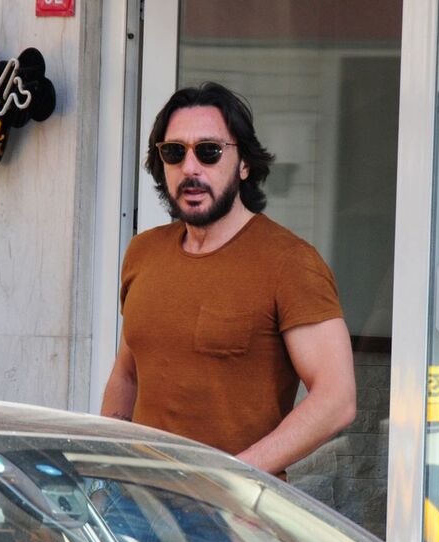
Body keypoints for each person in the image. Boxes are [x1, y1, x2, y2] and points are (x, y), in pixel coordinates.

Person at [101, 82, 356, 477]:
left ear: (244, 164)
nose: (190, 168)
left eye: (209, 151)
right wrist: (104, 476)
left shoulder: (290, 262)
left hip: (236, 507)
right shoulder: (143, 252)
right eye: (174, 152)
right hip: (139, 501)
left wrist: (231, 477)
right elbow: (127, 374)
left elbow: (336, 400)